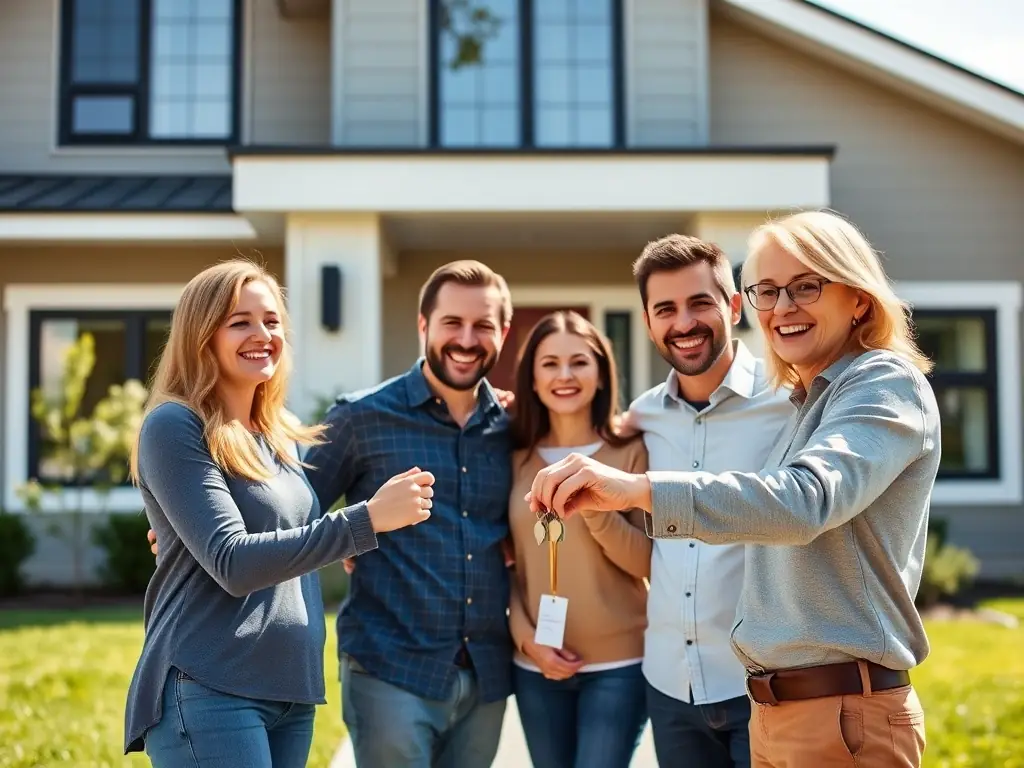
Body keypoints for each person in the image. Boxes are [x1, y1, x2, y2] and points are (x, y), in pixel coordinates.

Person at [529, 210, 939, 767]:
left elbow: (803, 501)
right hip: (767, 701)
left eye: (806, 286)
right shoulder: (803, 401)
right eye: (768, 291)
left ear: (859, 297)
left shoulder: (881, 382)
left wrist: (636, 490)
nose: (783, 307)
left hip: (842, 707)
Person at [124, 260, 435, 766]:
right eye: (239, 321)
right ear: (200, 335)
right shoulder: (175, 425)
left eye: (271, 321)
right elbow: (234, 562)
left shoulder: (275, 437)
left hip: (290, 690)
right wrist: (365, 521)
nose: (262, 334)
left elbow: (285, 535)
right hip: (211, 684)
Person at [304, 260, 515, 768]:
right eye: (452, 323)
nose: (467, 339)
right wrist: (351, 534)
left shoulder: (515, 427)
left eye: (483, 325)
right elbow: (287, 507)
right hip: (389, 668)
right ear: (423, 326)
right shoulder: (362, 417)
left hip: (486, 673)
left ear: (503, 333)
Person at [625, 234, 793, 767]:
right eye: (665, 309)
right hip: (671, 686)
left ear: (735, 306)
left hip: (767, 687)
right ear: (649, 321)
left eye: (700, 302)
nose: (684, 323)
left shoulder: (790, 401)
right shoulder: (642, 416)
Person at [506, 310, 651, 768]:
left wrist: (594, 508)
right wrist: (527, 639)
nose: (564, 375)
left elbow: (649, 563)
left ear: (601, 372)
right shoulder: (514, 457)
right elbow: (504, 564)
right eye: (549, 363)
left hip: (619, 666)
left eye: (579, 362)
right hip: (534, 665)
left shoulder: (630, 451)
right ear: (531, 377)